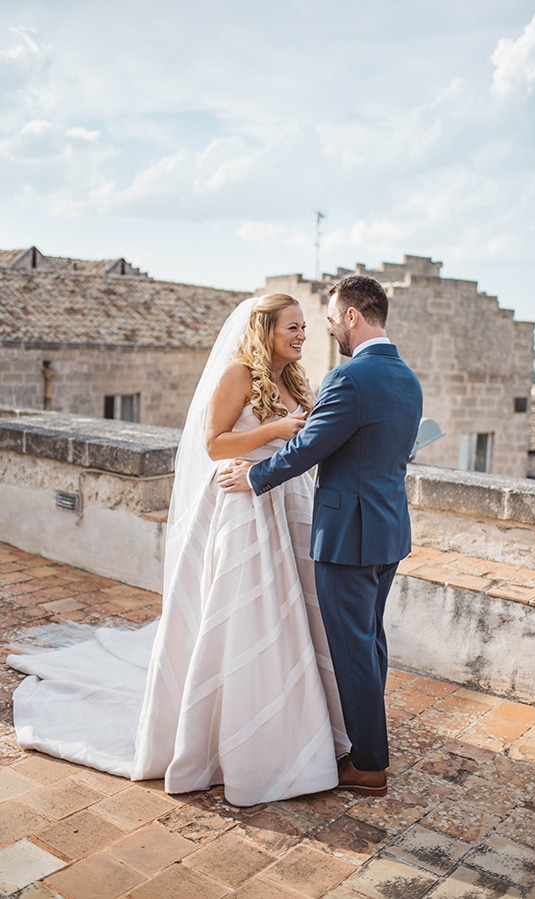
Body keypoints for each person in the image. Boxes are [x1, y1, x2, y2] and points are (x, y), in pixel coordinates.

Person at [8, 294, 350, 807]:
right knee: (247, 611)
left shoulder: (295, 379)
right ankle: (236, 734)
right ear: (264, 330)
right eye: (292, 328)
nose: (302, 336)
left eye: (304, 327)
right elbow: (214, 445)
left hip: (285, 503)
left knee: (293, 612)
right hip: (241, 505)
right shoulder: (237, 374)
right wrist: (275, 430)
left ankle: (294, 721)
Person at [218, 275, 423, 796]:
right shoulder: (407, 378)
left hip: (348, 535)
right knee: (370, 641)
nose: (328, 329)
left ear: (352, 317)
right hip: (388, 529)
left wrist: (253, 476)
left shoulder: (349, 378)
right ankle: (365, 742)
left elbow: (308, 448)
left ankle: (370, 762)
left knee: (351, 647)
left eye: (330, 319)